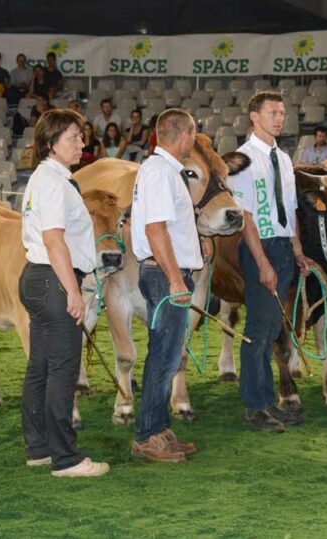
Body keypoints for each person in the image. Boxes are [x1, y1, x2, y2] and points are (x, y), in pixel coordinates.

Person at [18, 108, 109, 477]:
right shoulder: (54, 182)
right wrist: (73, 291)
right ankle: (66, 458)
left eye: (81, 136)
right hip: (54, 279)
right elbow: (54, 239)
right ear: (51, 143)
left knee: (40, 367)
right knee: (63, 369)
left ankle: (39, 447)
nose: (81, 143)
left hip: (37, 278)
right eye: (73, 137)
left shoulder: (46, 178)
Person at [227, 91, 310, 433]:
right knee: (258, 331)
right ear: (254, 116)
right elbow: (244, 214)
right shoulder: (242, 159)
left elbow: (289, 209)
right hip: (259, 245)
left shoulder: (285, 158)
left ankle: (265, 401)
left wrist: (298, 249)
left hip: (283, 246)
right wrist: (261, 261)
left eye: (282, 111)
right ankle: (255, 406)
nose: (280, 117)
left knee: (273, 328)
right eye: (273, 112)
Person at [129, 108, 202, 462]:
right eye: (194, 134)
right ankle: (147, 436)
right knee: (164, 355)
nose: (194, 140)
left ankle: (157, 429)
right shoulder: (159, 172)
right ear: (184, 135)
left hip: (165, 273)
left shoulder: (160, 170)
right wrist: (175, 278)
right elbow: (154, 229)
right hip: (164, 275)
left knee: (168, 354)